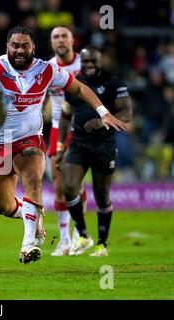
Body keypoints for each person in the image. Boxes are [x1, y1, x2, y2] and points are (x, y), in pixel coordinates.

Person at [0, 25, 128, 264]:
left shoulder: (46, 70)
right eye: (15, 45)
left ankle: (28, 245)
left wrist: (103, 112)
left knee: (34, 179)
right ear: (7, 46)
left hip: (29, 140)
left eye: (25, 45)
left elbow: (78, 87)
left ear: (33, 47)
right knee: (3, 206)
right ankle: (32, 216)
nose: (19, 50)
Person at [56, 46, 133, 256]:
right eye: (86, 62)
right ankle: (82, 235)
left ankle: (102, 244)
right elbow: (65, 115)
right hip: (78, 143)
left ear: (101, 61)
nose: (89, 66)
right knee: (69, 186)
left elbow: (127, 112)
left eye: (94, 62)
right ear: (81, 62)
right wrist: (61, 147)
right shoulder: (75, 82)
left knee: (101, 195)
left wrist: (102, 121)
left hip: (103, 145)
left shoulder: (114, 82)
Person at [47, 26, 86, 256]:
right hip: (56, 130)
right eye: (55, 37)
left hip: (82, 131)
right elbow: (39, 99)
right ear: (51, 43)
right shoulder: (46, 68)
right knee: (60, 185)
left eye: (64, 36)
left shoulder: (85, 65)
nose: (60, 40)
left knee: (75, 186)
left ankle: (80, 235)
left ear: (73, 40)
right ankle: (64, 241)